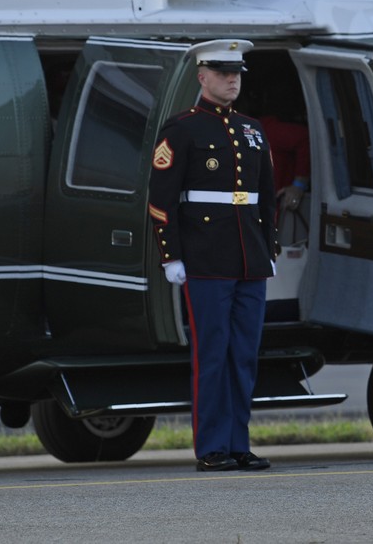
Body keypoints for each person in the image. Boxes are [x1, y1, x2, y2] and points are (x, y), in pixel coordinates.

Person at [148, 39, 278, 472]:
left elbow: (264, 197)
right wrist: (171, 256)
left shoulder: (252, 129)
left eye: (237, 73)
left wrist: (268, 249)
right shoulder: (182, 128)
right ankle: (212, 447)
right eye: (223, 73)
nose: (232, 80)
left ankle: (239, 443)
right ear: (202, 76)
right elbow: (161, 198)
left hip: (249, 259)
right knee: (213, 354)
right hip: (205, 258)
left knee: (244, 355)